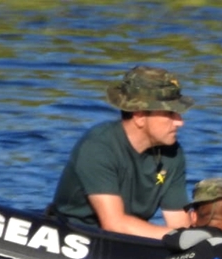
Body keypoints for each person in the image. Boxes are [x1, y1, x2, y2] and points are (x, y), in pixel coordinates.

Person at [49, 65, 194, 239]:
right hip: (74, 236)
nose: (180, 122)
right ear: (140, 116)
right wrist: (179, 238)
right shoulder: (98, 147)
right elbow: (114, 224)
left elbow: (179, 224)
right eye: (170, 114)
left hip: (128, 241)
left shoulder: (173, 153)